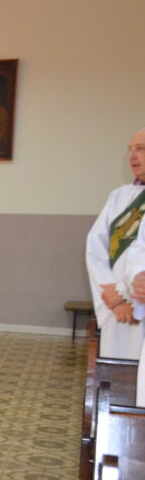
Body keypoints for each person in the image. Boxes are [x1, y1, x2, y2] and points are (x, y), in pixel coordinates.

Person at [86, 127, 145, 360]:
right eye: (130, 150)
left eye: (140, 149)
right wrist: (114, 295)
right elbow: (95, 248)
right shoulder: (120, 197)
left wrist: (131, 295)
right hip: (118, 309)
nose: (132, 156)